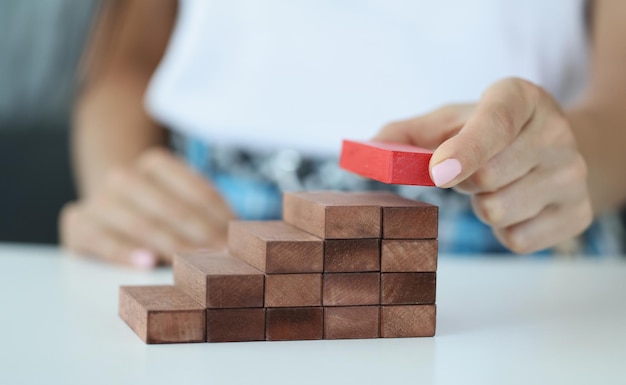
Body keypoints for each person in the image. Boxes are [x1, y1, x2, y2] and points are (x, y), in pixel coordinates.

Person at [60, 0, 626, 269]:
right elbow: (122, 64)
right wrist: (126, 189)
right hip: (210, 228)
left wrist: (565, 162)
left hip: (505, 235)